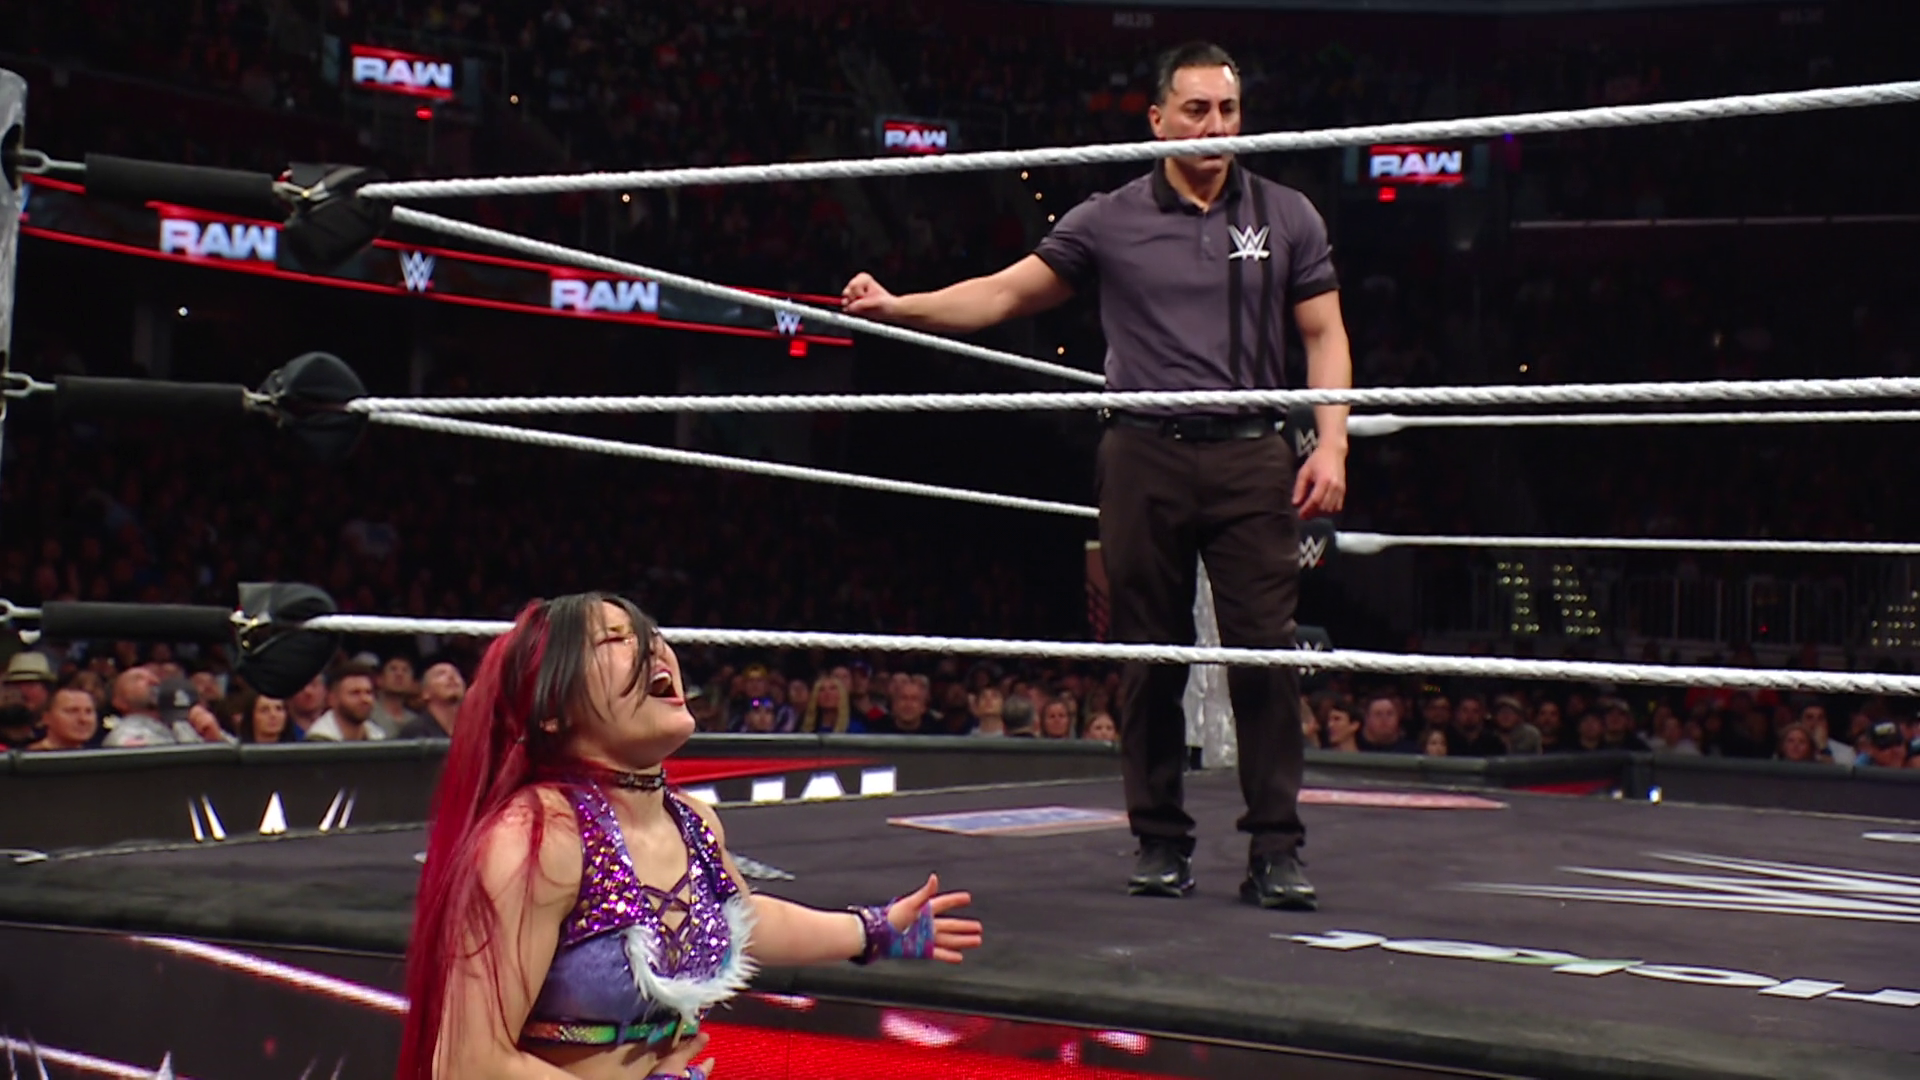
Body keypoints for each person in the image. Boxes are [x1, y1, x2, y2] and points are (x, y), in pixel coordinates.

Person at [842, 41, 1349, 912]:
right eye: (1196, 110)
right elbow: (1005, 293)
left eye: (1228, 110)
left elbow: (1324, 333)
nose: (1215, 127)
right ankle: (1159, 841)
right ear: (1158, 119)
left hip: (1252, 452)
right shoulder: (1109, 218)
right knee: (1149, 656)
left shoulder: (1287, 212)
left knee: (1264, 657)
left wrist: (1331, 443)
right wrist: (900, 307)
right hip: (1143, 453)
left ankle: (1276, 849)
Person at [397, 593, 983, 1080]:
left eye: (650, 634)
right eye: (613, 640)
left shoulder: (692, 821)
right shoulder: (539, 836)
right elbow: (467, 1063)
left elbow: (744, 920)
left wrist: (874, 930)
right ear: (553, 709)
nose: (653, 647)